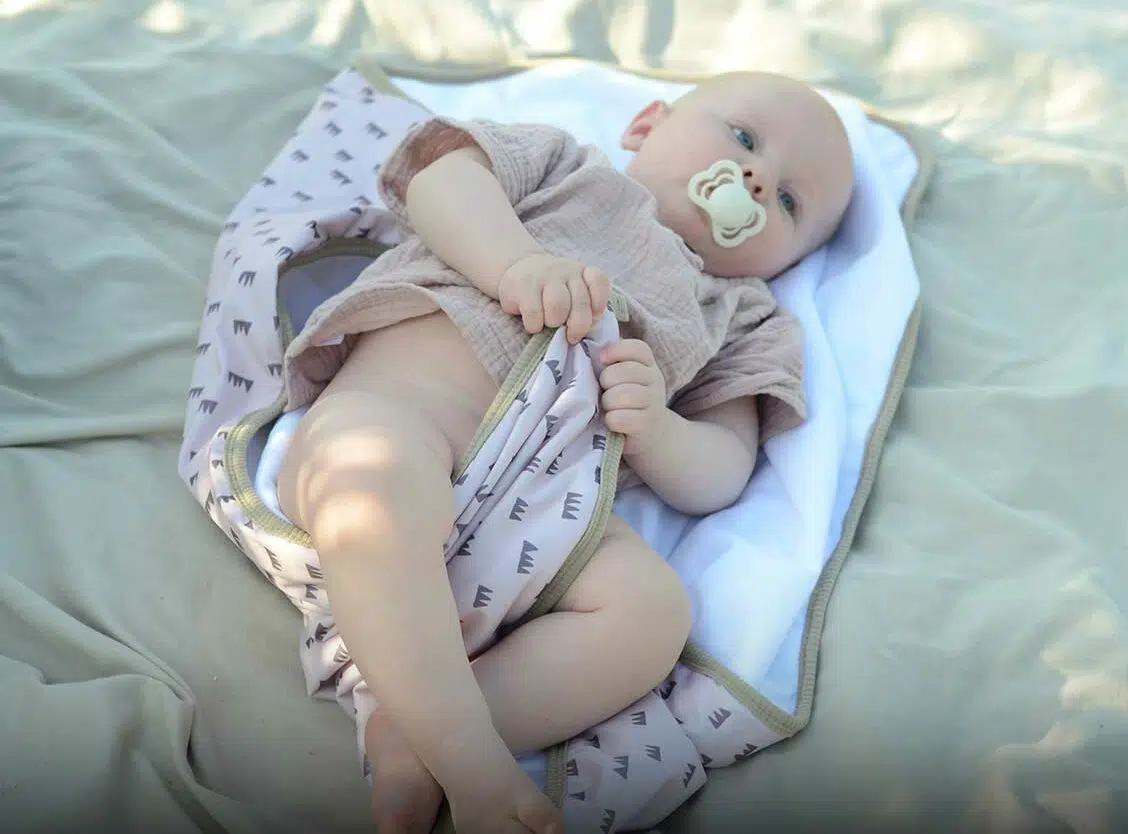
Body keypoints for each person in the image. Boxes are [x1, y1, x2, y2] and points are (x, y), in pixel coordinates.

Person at [275, 70, 854, 834]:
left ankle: (413, 729)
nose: (755, 176)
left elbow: (724, 467)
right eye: (743, 139)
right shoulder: (567, 167)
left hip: (544, 507)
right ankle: (466, 755)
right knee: (372, 484)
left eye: (788, 202)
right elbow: (440, 181)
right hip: (399, 412)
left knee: (653, 613)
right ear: (648, 123)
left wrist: (658, 432)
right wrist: (512, 262)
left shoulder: (745, 315)